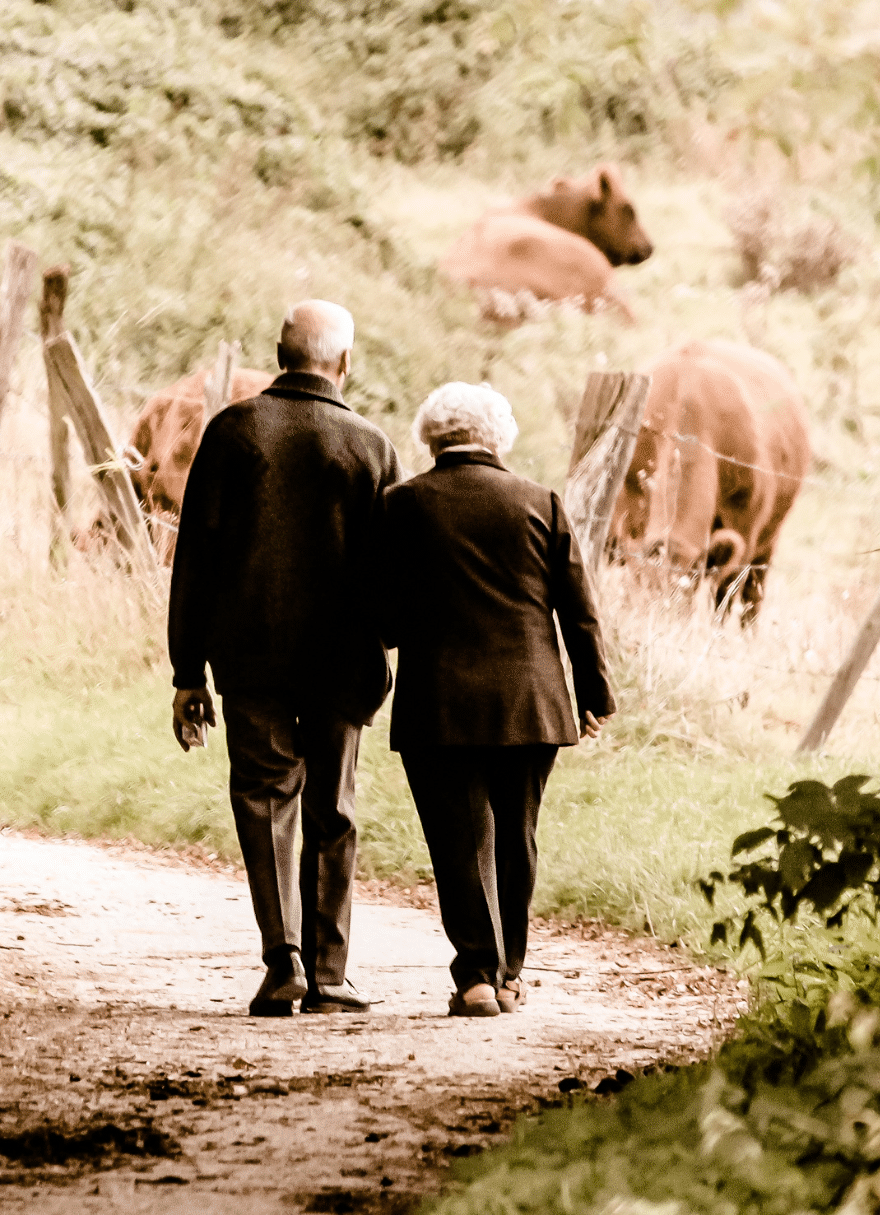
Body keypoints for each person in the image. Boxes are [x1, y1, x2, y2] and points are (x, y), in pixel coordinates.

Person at [168, 300, 403, 1017]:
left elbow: (195, 560)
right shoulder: (371, 445)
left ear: (279, 353)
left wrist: (187, 672)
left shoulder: (234, 432)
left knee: (266, 801)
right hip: (343, 660)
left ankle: (284, 962)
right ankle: (331, 974)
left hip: (250, 655)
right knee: (333, 806)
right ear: (345, 363)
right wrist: (385, 644)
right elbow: (392, 569)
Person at [380, 382, 612, 1018]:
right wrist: (593, 692)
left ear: (431, 436)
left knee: (459, 839)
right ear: (499, 437)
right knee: (517, 834)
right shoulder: (541, 502)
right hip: (532, 700)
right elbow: (579, 613)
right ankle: (509, 974)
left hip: (438, 701)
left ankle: (476, 976)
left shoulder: (401, 505)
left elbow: (386, 615)